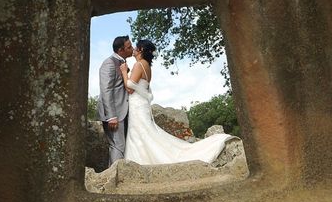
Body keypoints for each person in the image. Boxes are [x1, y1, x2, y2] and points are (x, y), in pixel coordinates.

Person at [121, 39, 235, 165]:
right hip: (141, 103)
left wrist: (123, 72)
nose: (134, 49)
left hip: (137, 104)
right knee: (144, 132)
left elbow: (130, 86)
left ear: (141, 49)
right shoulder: (147, 66)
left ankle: (143, 161)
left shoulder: (138, 65)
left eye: (136, 47)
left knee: (141, 132)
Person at [96, 36, 134, 165]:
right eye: (129, 47)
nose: (132, 48)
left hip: (123, 112)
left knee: (121, 146)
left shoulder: (122, 63)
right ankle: (115, 179)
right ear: (120, 50)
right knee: (118, 146)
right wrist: (111, 116)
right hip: (114, 114)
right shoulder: (109, 63)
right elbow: (106, 90)